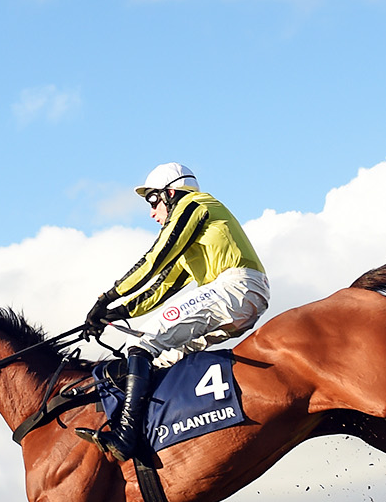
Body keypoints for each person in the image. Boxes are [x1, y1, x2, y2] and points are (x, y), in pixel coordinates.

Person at [76, 162, 269, 462]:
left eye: (153, 201)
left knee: (140, 345)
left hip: (236, 286)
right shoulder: (193, 235)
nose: (152, 212)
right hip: (240, 296)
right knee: (164, 358)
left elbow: (155, 259)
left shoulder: (194, 204)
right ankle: (173, 430)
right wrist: (114, 313)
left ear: (170, 193)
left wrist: (106, 297)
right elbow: (162, 288)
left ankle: (126, 436)